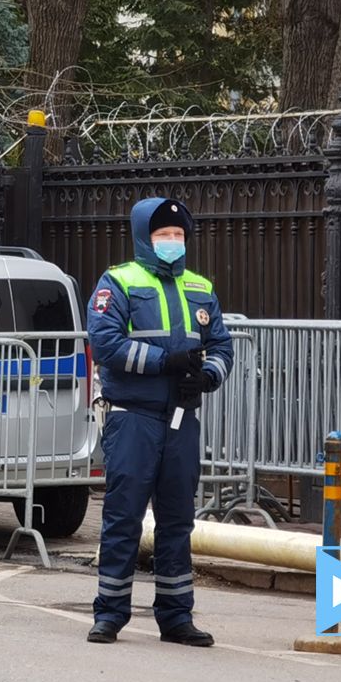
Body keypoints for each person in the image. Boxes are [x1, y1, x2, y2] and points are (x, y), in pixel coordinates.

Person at [84, 197, 233, 647]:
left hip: (182, 420)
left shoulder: (201, 287)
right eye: (163, 236)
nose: (172, 242)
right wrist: (165, 362)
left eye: (178, 236)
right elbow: (106, 344)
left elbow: (222, 346)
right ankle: (109, 614)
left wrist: (208, 376)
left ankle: (176, 618)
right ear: (145, 238)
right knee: (123, 518)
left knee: (177, 520)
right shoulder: (119, 283)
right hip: (133, 418)